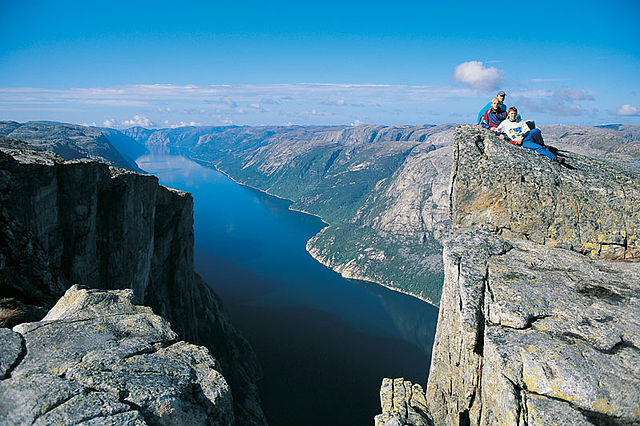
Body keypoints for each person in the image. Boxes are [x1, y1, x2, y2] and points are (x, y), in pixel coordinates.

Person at [495, 106, 563, 163]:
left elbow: (527, 130)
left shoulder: (520, 121)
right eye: (512, 113)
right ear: (508, 114)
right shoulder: (505, 123)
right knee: (538, 148)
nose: (513, 115)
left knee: (536, 131)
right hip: (522, 142)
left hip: (525, 137)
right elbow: (496, 131)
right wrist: (500, 135)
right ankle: (555, 158)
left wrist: (521, 137)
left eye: (515, 113)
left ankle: (542, 145)